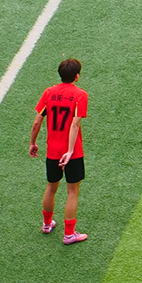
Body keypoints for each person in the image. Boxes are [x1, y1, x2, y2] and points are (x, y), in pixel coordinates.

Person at [29, 58, 90, 243]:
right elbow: (74, 125)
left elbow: (37, 121)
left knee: (51, 187)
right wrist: (70, 151)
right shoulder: (80, 95)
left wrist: (33, 142)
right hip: (73, 152)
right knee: (72, 191)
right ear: (77, 76)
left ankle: (47, 224)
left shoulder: (49, 92)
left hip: (53, 151)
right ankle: (69, 234)